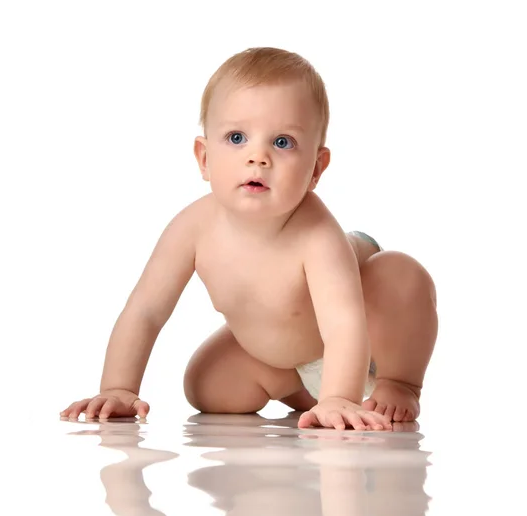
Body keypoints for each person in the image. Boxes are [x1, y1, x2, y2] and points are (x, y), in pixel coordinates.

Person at [60, 47, 438, 431]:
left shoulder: (317, 234)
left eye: (283, 142)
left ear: (315, 169)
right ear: (204, 158)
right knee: (207, 388)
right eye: (237, 137)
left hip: (364, 343)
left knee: (401, 275)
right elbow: (145, 310)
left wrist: (340, 396)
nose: (258, 157)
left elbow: (343, 323)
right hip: (285, 353)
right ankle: (300, 388)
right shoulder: (192, 228)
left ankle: (398, 382)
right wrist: (119, 388)